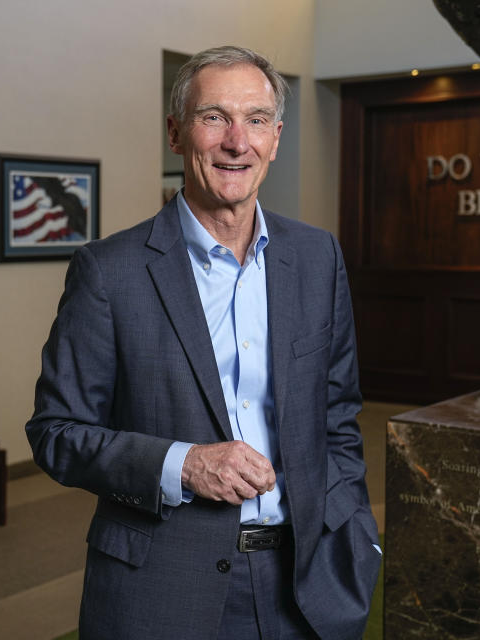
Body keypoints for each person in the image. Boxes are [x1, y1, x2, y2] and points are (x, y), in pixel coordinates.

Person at [26, 45, 381, 640]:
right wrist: (182, 465)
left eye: (257, 120)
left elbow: (338, 414)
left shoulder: (318, 257)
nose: (236, 141)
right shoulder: (109, 272)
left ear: (275, 137)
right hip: (164, 588)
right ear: (176, 132)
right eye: (214, 117)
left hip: (307, 579)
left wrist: (354, 531)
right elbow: (55, 433)